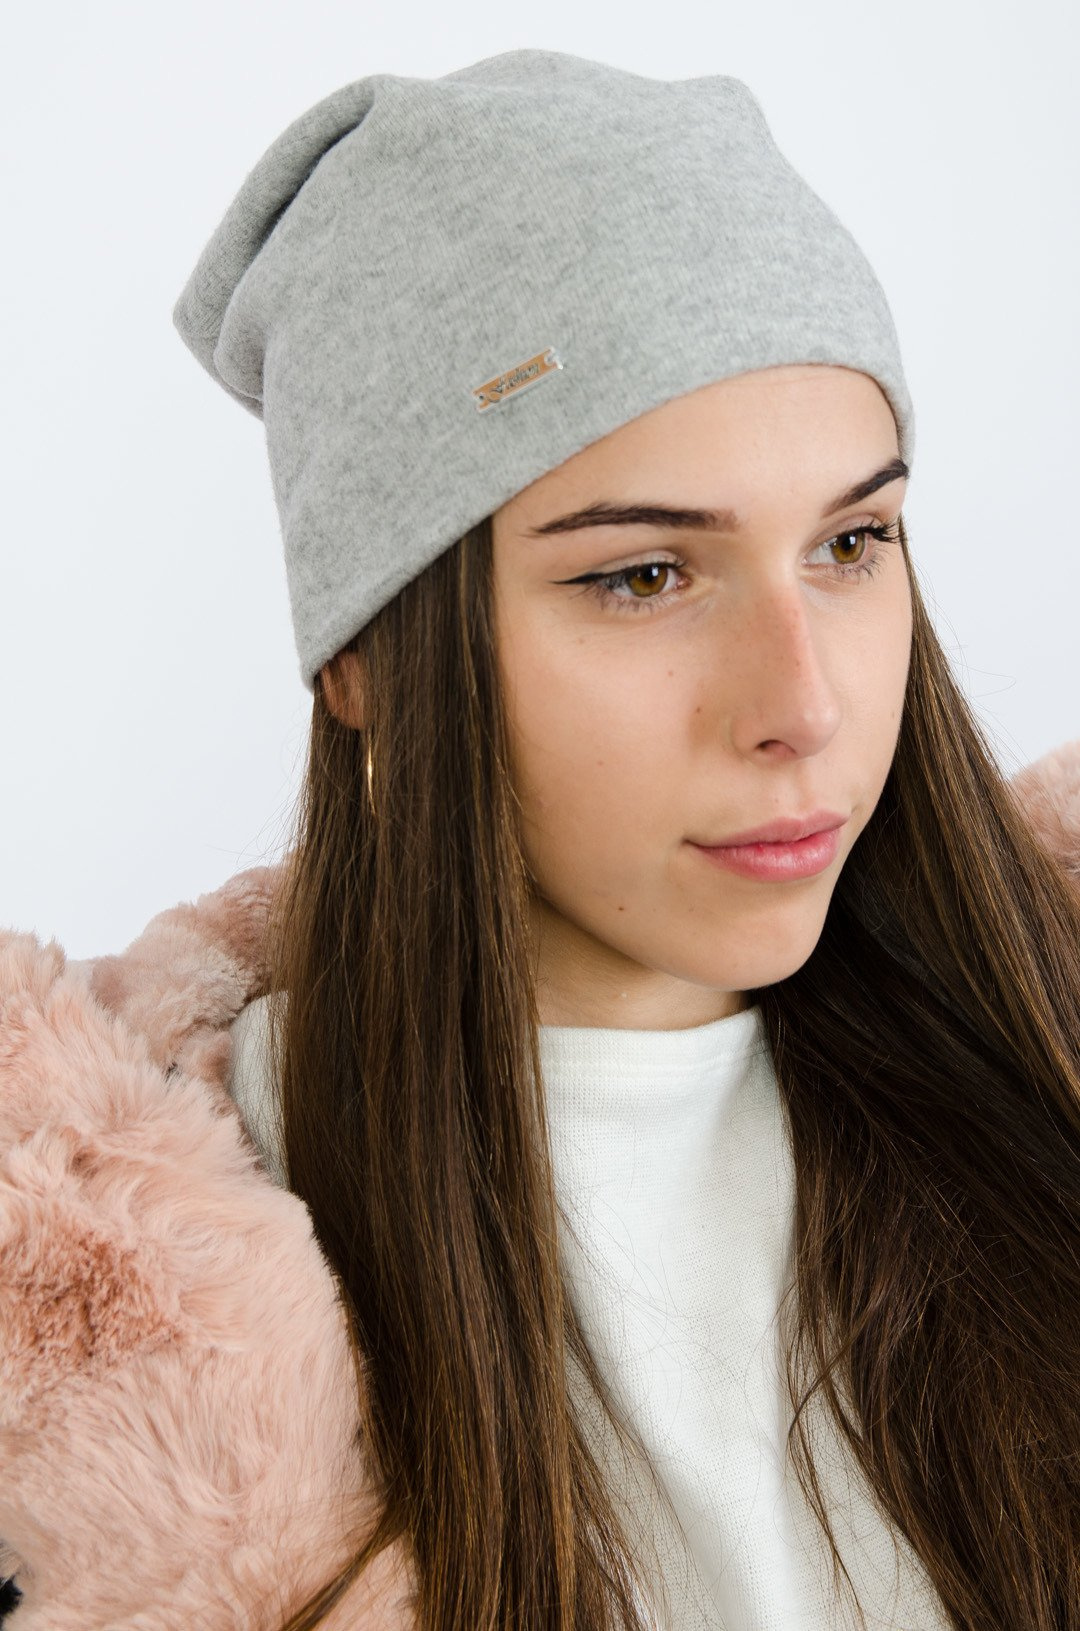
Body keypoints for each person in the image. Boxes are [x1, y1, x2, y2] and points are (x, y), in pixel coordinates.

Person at [2, 45, 1080, 1631]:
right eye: (644, 575)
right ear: (365, 662)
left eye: (853, 542)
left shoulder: (1043, 1065)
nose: (806, 705)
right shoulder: (101, 1339)